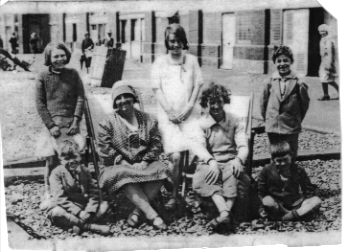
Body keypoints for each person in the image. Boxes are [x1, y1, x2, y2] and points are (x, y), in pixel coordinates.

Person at [151, 23, 208, 209]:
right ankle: (175, 194)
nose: (175, 45)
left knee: (200, 149)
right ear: (167, 42)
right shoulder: (160, 62)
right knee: (175, 156)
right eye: (172, 41)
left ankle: (198, 190)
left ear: (184, 42)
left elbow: (198, 85)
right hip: (169, 118)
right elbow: (157, 89)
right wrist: (170, 112)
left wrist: (190, 108)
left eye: (179, 41)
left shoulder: (191, 60)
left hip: (190, 115)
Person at [97, 85, 169, 230]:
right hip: (118, 166)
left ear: (133, 99)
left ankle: (136, 212)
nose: (123, 101)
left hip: (144, 164)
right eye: (118, 98)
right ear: (114, 102)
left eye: (126, 96)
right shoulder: (107, 123)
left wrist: (145, 161)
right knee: (125, 175)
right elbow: (105, 149)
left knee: (163, 170)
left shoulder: (149, 119)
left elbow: (156, 143)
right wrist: (124, 162)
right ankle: (152, 215)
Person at [192, 84, 251, 229]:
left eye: (219, 102)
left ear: (225, 101)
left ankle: (224, 214)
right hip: (210, 161)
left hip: (231, 160)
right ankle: (225, 212)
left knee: (233, 174)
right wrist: (211, 161)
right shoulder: (202, 123)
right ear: (207, 103)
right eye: (212, 102)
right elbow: (199, 147)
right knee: (207, 175)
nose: (216, 106)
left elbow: (243, 146)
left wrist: (238, 159)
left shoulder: (235, 121)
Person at [35, 42, 86, 179]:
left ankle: (74, 189)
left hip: (71, 125)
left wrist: (76, 122)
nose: (60, 59)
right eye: (56, 56)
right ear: (49, 58)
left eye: (62, 55)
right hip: (52, 125)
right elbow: (40, 103)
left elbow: (80, 98)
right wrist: (51, 126)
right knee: (51, 160)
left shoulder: (73, 74)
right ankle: (49, 191)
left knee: (73, 157)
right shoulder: (43, 76)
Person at [46, 140, 111, 235]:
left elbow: (93, 192)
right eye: (67, 158)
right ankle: (90, 226)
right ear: (61, 159)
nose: (72, 161)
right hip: (66, 207)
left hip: (84, 206)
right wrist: (79, 212)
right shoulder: (56, 173)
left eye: (74, 157)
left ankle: (75, 223)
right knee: (56, 213)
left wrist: (89, 210)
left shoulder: (84, 170)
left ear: (79, 156)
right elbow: (60, 198)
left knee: (104, 206)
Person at [260, 45, 310, 161]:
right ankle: (275, 177)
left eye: (285, 60)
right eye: (279, 61)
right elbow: (263, 104)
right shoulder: (269, 81)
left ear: (291, 61)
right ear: (275, 63)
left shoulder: (298, 82)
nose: (282, 64)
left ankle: (290, 176)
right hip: (273, 125)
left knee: (290, 155)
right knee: (275, 155)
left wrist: (295, 119)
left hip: (290, 126)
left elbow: (304, 105)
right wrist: (269, 119)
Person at [257, 141, 322, 221]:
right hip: (277, 205)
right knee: (267, 201)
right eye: (279, 161)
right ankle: (296, 216)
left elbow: (308, 189)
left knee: (316, 200)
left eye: (286, 159)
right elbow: (260, 192)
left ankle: (288, 217)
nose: (283, 163)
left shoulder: (298, 170)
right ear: (273, 160)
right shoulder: (267, 170)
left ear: (291, 156)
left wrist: (307, 201)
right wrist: (261, 208)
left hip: (296, 204)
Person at [317, 24, 338, 101]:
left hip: (327, 61)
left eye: (323, 31)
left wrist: (329, 64)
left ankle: (338, 92)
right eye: (320, 31)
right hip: (323, 61)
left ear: (326, 31)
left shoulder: (328, 40)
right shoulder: (323, 39)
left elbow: (330, 53)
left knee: (327, 79)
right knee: (325, 79)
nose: (322, 33)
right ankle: (326, 94)